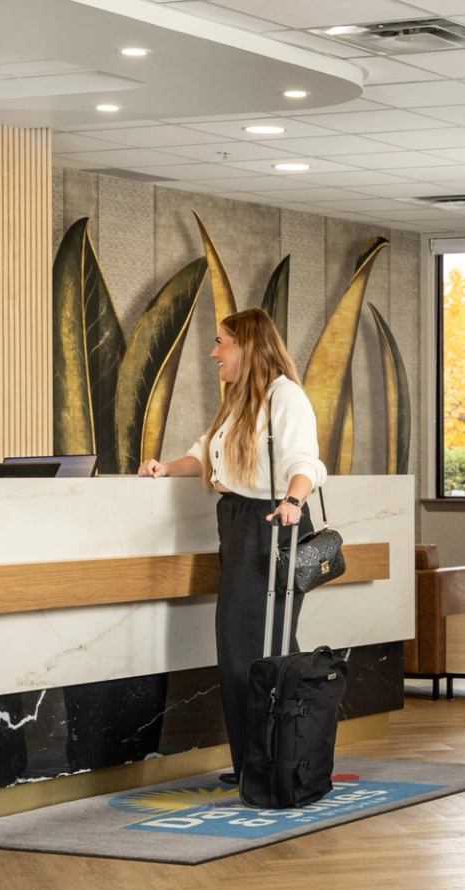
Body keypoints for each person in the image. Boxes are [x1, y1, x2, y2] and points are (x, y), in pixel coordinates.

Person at [139, 308, 326, 788]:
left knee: (262, 655)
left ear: (247, 345)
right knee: (239, 652)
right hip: (238, 526)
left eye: (221, 341)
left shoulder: (286, 396)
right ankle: (253, 765)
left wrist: (293, 500)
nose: (214, 352)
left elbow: (305, 461)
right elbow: (205, 452)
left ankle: (274, 764)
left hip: (269, 526)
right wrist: (165, 468)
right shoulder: (240, 400)